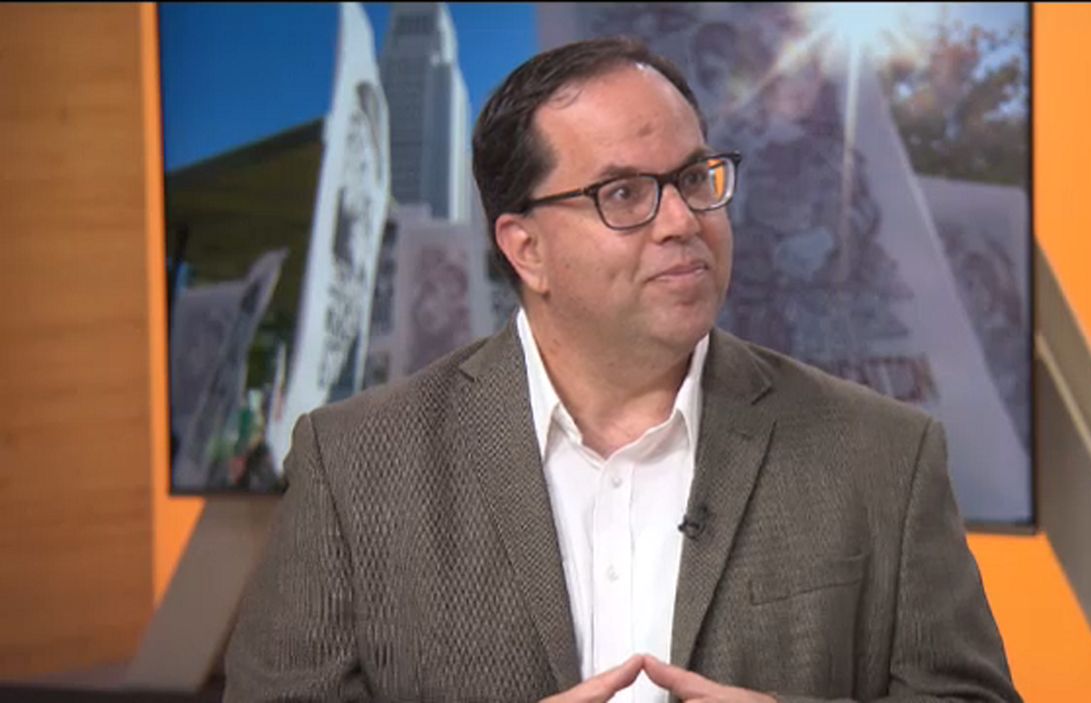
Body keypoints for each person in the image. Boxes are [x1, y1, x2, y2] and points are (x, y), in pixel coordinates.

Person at [225, 37, 1021, 703]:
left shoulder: (884, 455)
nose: (682, 221)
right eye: (625, 193)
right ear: (526, 249)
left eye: (695, 179)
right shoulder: (354, 466)